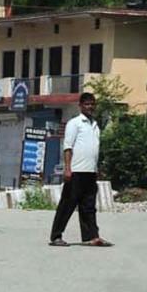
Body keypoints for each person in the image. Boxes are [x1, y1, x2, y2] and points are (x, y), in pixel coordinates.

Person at [50, 91, 110, 247]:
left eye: (92, 104)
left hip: (90, 172)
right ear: (81, 106)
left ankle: (92, 236)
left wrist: (96, 169)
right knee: (67, 205)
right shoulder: (75, 123)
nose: (90, 106)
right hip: (76, 171)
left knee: (89, 206)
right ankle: (56, 236)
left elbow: (93, 148)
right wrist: (67, 169)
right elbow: (67, 147)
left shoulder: (95, 125)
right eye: (87, 104)